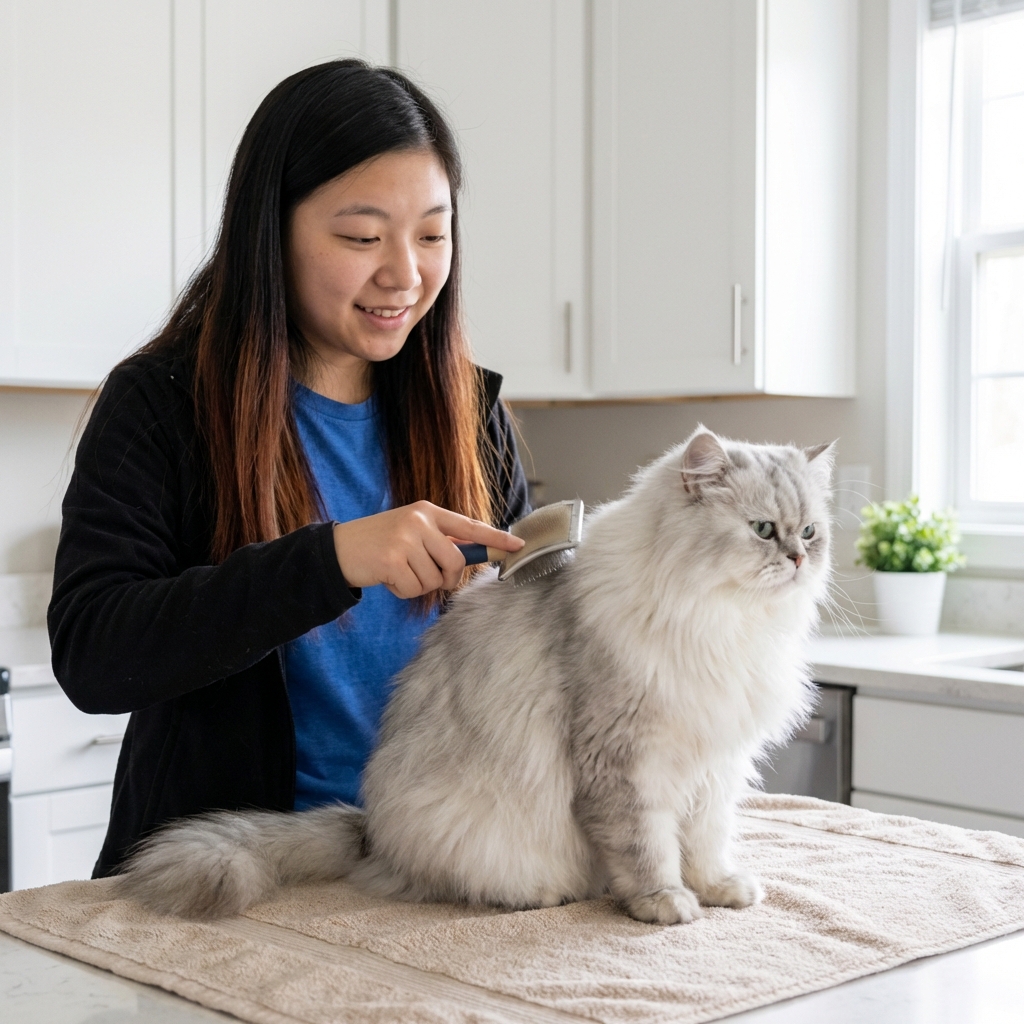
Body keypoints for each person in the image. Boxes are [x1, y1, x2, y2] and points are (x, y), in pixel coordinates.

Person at [47, 60, 530, 878]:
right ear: (270, 231)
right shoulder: (163, 403)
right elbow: (95, 654)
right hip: (224, 879)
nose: (405, 274)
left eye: (432, 234)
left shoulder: (469, 415)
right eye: (361, 237)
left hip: (434, 872)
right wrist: (332, 559)